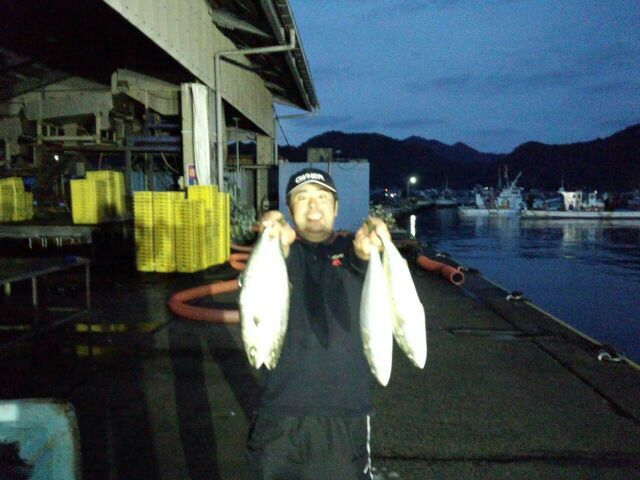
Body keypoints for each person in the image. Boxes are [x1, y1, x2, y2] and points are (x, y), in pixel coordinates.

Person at [245, 167, 390, 479]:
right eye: (302, 197)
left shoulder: (353, 247)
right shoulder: (279, 249)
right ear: (289, 209)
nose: (313, 205)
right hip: (279, 412)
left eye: (322, 197)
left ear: (336, 208)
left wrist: (371, 246)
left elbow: (361, 258)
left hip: (345, 413)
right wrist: (273, 238)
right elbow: (259, 281)